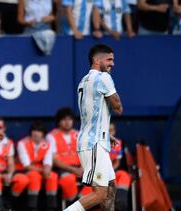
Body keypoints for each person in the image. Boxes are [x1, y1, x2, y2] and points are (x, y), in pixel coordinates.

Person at [65, 44, 123, 211]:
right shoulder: (103, 78)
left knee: (110, 187)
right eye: (109, 59)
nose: (112, 64)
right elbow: (118, 107)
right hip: (93, 144)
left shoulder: (83, 80)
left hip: (95, 140)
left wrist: (106, 133)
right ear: (97, 60)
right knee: (100, 194)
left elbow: (92, 113)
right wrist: (116, 101)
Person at [46, 107, 92, 206]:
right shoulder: (51, 136)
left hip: (80, 168)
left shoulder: (78, 134)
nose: (67, 122)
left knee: (96, 179)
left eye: (69, 119)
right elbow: (54, 160)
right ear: (58, 122)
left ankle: (80, 202)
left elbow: (86, 154)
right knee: (68, 179)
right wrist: (73, 170)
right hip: (62, 169)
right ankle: (76, 205)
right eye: (64, 119)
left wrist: (82, 167)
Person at [16, 122, 58, 211]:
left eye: (39, 131)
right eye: (34, 130)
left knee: (52, 176)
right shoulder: (22, 143)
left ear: (43, 134)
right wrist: (43, 171)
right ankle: (32, 207)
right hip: (24, 170)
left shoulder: (47, 144)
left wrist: (47, 170)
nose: (36, 133)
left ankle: (51, 207)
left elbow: (48, 161)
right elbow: (26, 164)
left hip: (40, 169)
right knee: (34, 176)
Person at [109, 122, 131, 210]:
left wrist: (111, 171)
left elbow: (117, 162)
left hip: (111, 172)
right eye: (107, 131)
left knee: (124, 175)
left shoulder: (117, 143)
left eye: (111, 130)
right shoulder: (96, 143)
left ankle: (120, 202)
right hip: (98, 175)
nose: (110, 133)